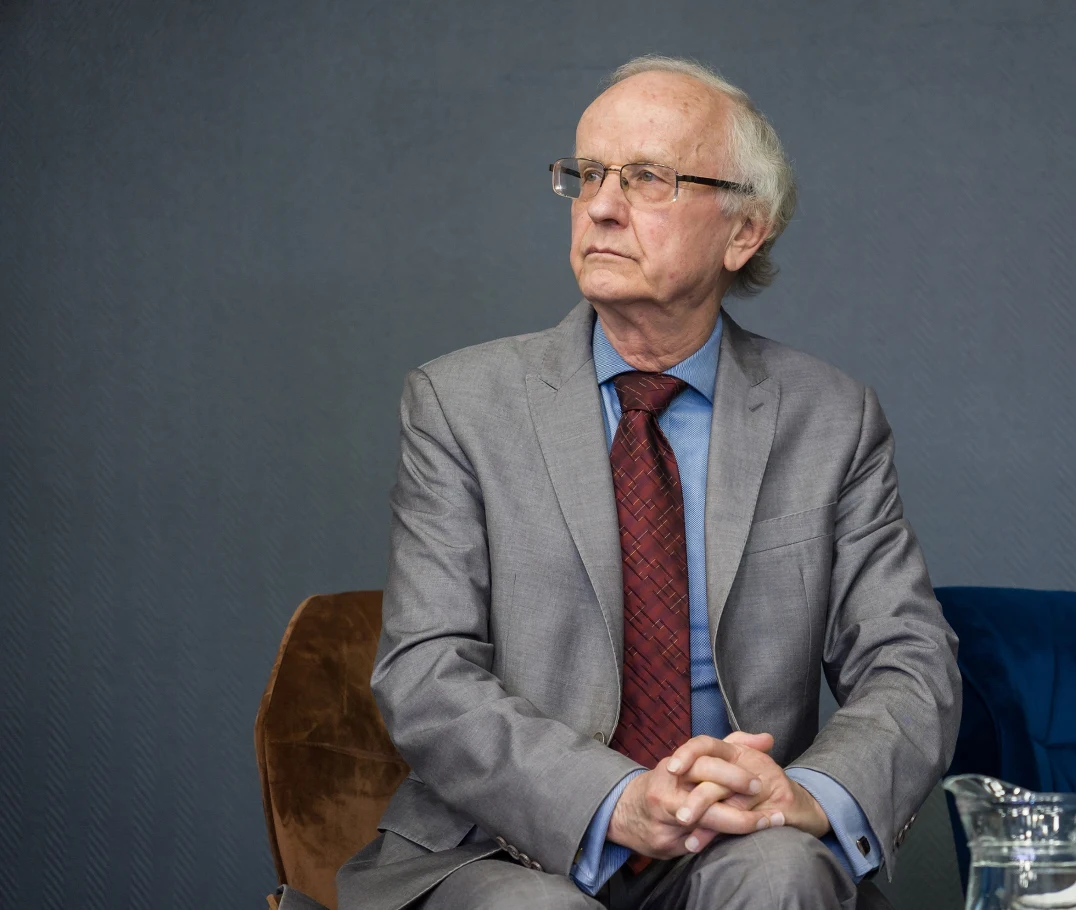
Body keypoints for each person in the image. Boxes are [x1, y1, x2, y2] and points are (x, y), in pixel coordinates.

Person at [336, 55, 961, 910]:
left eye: (646, 178)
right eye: (588, 173)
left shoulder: (830, 418)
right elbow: (425, 669)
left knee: (782, 874)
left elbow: (908, 658)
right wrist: (613, 799)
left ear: (744, 232)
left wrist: (808, 794)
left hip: (729, 836)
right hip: (502, 847)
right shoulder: (459, 404)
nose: (600, 205)